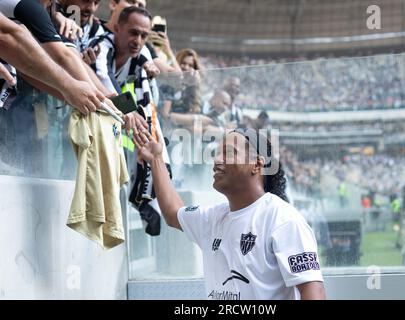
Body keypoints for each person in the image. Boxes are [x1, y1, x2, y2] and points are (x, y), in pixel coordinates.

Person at [133, 128, 326, 300]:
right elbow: (172, 213)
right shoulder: (213, 218)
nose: (217, 160)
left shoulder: (284, 220)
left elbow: (313, 293)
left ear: (256, 165)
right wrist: (156, 159)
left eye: (229, 153)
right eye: (217, 154)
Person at [0, 12, 103, 114]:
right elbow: (62, 56)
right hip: (18, 103)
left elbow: (70, 56)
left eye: (96, 2)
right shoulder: (31, 8)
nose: (91, 8)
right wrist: (69, 86)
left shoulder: (57, 15)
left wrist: (98, 96)